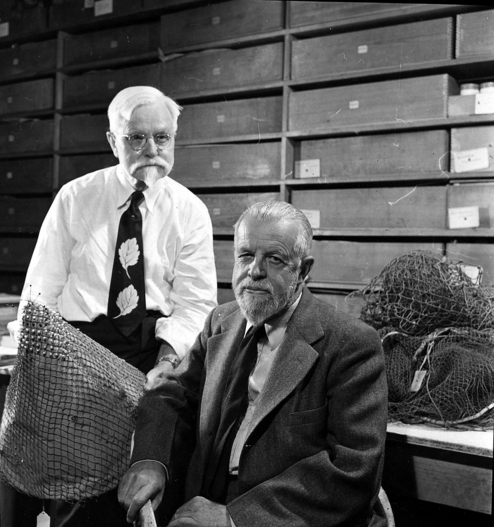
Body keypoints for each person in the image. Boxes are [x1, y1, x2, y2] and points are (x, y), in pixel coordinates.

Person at [3, 86, 217, 526]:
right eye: (136, 138)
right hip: (75, 361)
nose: (151, 150)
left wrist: (167, 361)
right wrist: (39, 364)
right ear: (111, 141)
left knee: (141, 498)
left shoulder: (190, 212)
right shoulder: (76, 197)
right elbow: (40, 291)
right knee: (71, 497)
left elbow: (196, 305)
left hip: (152, 359)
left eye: (162, 137)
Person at [118, 200, 389, 527]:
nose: (254, 271)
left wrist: (234, 519)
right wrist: (151, 459)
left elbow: (353, 470)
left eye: (274, 259)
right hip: (199, 508)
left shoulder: (350, 343)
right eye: (245, 255)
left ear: (303, 271)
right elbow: (171, 394)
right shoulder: (220, 321)